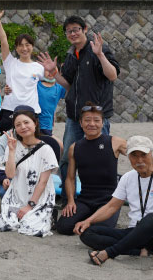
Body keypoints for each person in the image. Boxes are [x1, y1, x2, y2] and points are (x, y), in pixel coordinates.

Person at [38, 15, 120, 181]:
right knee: (68, 156)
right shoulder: (71, 54)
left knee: (99, 154)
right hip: (74, 116)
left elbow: (112, 76)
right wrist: (54, 73)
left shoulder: (98, 49)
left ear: (85, 29)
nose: (73, 34)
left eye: (76, 30)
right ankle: (66, 192)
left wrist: (100, 55)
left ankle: (100, 192)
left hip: (96, 115)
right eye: (69, 31)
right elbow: (67, 84)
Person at [75, 136, 153, 266]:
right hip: (134, 231)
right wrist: (88, 221)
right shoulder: (128, 178)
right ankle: (139, 251)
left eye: (144, 155)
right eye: (134, 156)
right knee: (87, 233)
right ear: (128, 157)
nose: (139, 160)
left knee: (151, 219)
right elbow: (112, 206)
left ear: (151, 154)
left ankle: (108, 253)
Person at [56, 103, 126, 235]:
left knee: (99, 231)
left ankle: (92, 220)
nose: (92, 124)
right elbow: (70, 178)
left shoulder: (115, 142)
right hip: (85, 199)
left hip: (109, 201)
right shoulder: (74, 148)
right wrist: (71, 201)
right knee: (63, 227)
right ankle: (89, 218)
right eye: (87, 120)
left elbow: (138, 155)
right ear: (81, 123)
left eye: (96, 120)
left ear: (102, 123)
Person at [0, 110, 58, 237]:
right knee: (6, 225)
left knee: (31, 228)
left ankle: (49, 214)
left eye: (26, 122)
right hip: (17, 194)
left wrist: (30, 205)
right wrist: (11, 151)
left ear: (35, 124)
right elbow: (10, 175)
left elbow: (43, 182)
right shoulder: (12, 146)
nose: (23, 127)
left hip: (38, 197)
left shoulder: (46, 149)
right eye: (18, 125)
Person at [0, 9, 44, 133]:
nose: (24, 48)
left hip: (31, 111)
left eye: (27, 45)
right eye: (20, 45)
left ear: (32, 46)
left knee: (29, 144)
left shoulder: (39, 67)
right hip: (9, 109)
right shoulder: (10, 62)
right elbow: (3, 40)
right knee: (6, 143)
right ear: (16, 47)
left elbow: (48, 86)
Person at [36, 66, 67, 136]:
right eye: (47, 70)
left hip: (47, 123)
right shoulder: (36, 84)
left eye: (53, 70)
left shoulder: (59, 88)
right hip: (34, 121)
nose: (50, 73)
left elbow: (72, 91)